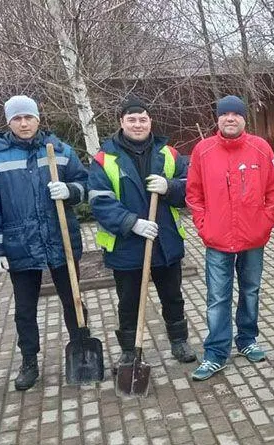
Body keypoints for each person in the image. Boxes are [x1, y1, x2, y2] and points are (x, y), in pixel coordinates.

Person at [0, 95, 89, 391]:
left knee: (73, 299)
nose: (24, 123)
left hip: (60, 238)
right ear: (9, 122)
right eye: (17, 118)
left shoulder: (60, 150)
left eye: (29, 117)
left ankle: (81, 349)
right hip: (19, 244)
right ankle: (29, 361)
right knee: (25, 308)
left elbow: (85, 183)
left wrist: (71, 190)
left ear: (38, 119)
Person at [89, 96, 195, 371]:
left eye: (143, 119)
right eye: (131, 119)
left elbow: (190, 188)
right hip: (126, 246)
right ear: (121, 122)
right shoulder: (105, 158)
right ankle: (129, 350)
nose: (138, 124)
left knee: (172, 296)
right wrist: (131, 223)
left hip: (165, 241)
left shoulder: (169, 154)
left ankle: (179, 341)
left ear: (150, 122)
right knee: (129, 301)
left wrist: (169, 187)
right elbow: (99, 200)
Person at [186, 95, 274, 381]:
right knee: (218, 297)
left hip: (253, 238)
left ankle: (247, 340)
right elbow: (194, 194)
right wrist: (204, 226)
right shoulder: (202, 151)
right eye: (225, 114)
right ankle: (216, 353)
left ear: (244, 119)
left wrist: (264, 225)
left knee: (250, 291)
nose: (230, 118)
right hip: (217, 240)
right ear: (217, 119)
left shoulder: (260, 149)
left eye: (236, 114)